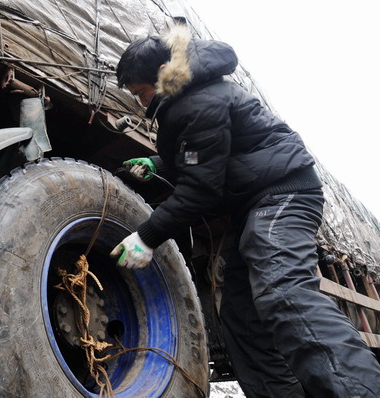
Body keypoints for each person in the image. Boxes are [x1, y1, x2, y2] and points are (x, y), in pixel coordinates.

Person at [110, 24, 380, 397]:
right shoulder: (190, 99)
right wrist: (160, 164)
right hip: (253, 203)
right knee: (239, 311)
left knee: (281, 289)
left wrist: (148, 235)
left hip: (283, 194)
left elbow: (202, 188)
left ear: (160, 75)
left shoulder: (197, 102)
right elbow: (202, 158)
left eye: (140, 93)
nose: (140, 104)